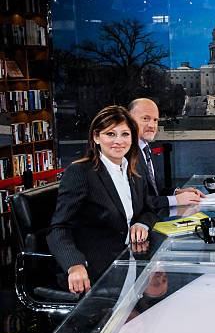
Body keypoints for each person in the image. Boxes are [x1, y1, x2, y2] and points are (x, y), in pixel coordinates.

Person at [47, 106, 159, 294]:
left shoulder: (134, 170)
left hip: (131, 263)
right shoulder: (80, 173)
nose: (119, 141)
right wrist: (74, 265)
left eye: (125, 134)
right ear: (96, 137)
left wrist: (142, 223)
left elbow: (149, 209)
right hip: (97, 272)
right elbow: (59, 228)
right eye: (110, 134)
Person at [128, 98, 204, 210]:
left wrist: (177, 192)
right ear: (129, 120)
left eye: (155, 120)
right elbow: (138, 202)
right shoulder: (125, 152)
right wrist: (176, 200)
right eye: (145, 118)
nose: (152, 125)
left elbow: (156, 192)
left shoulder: (146, 148)